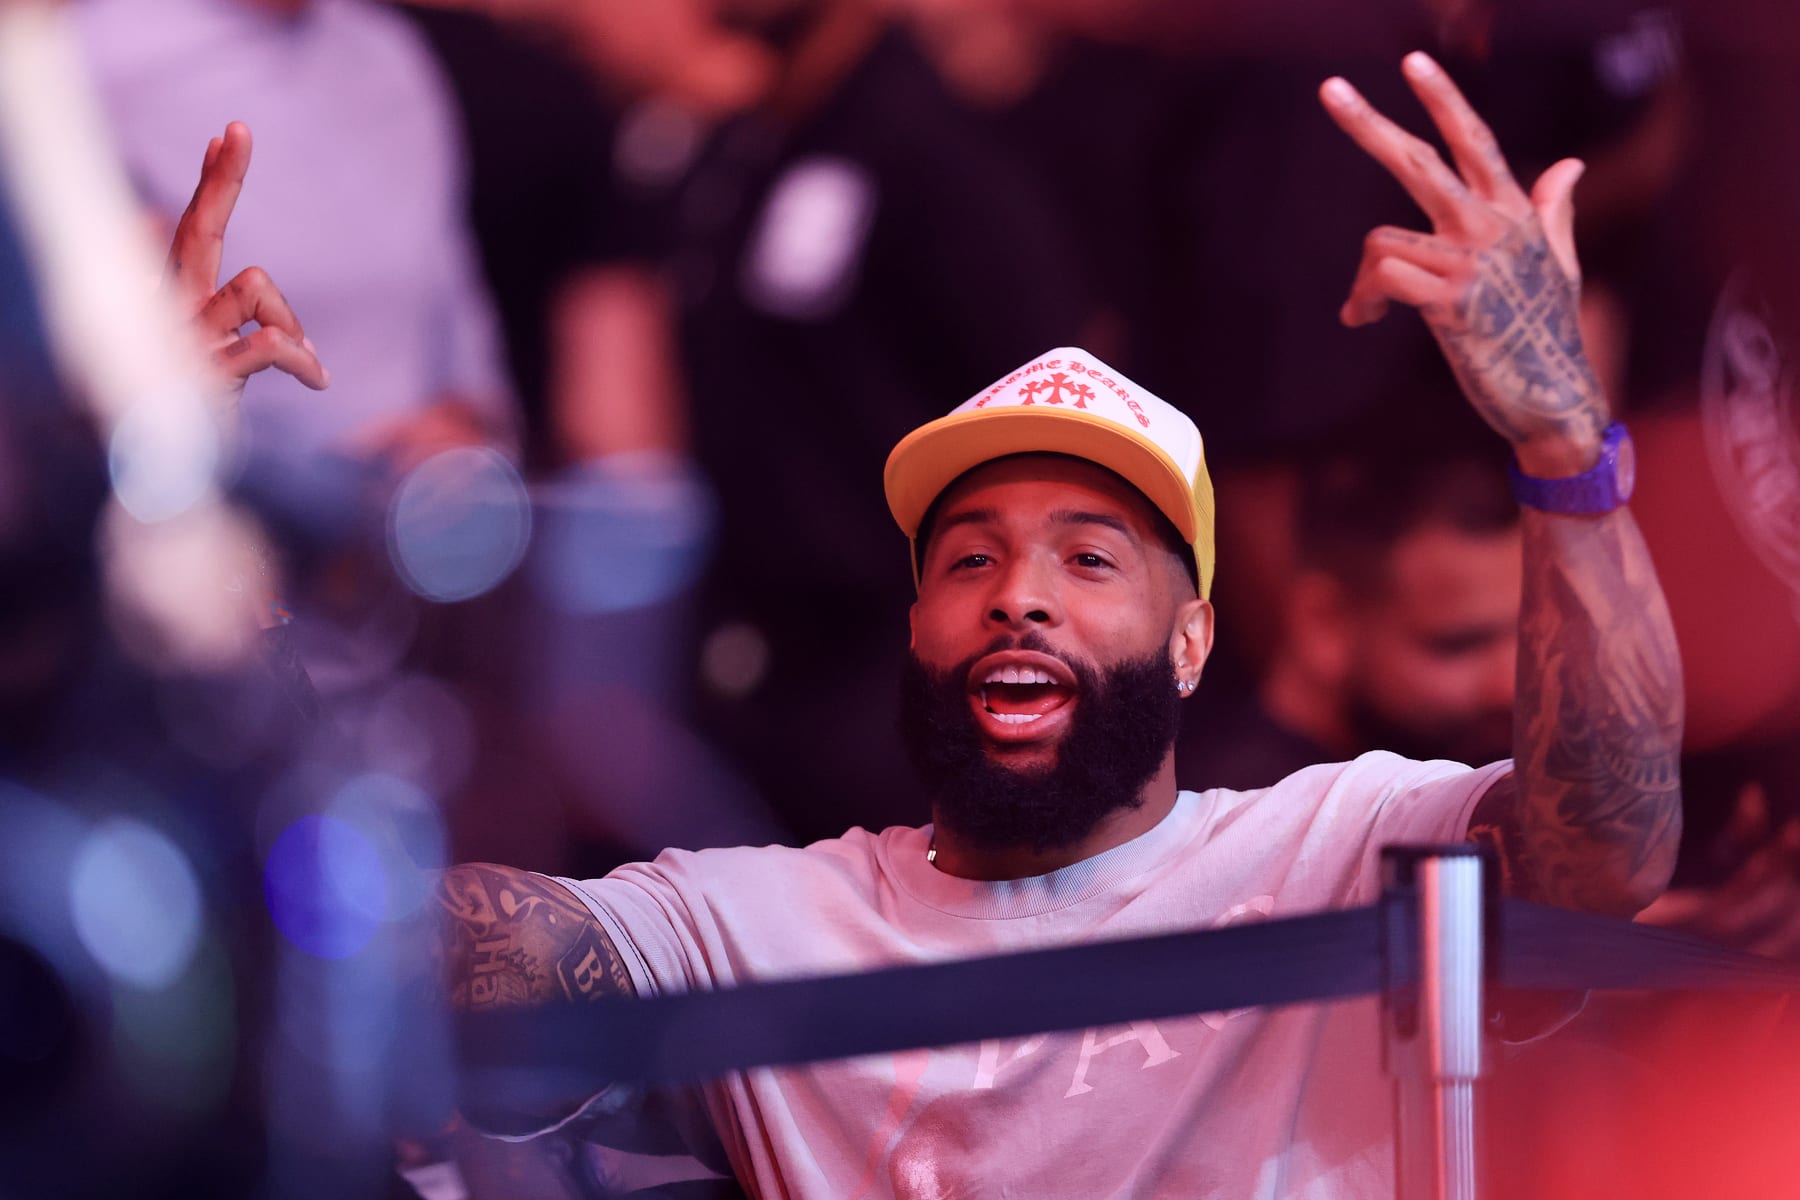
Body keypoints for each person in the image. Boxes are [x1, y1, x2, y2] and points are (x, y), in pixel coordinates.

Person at [183, 53, 1682, 1199]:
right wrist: (171, 522)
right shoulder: (760, 930)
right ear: (917, 628)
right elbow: (370, 949)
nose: (1016, 591)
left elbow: (1605, 847)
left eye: (1091, 558)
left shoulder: (1341, 853)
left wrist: (1563, 443)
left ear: (1194, 642)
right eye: (969, 558)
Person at [1176, 426, 1522, 790]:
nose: (1510, 686)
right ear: (1325, 623)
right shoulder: (1245, 821)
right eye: (1457, 645)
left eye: (1530, 638)